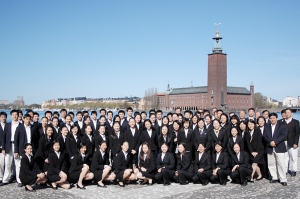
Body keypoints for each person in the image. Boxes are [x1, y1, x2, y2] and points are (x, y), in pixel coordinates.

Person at [263, 113, 287, 186]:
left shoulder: (282, 125)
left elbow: (283, 135)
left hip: (279, 147)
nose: (272, 119)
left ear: (277, 118)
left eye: (273, 118)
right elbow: (264, 136)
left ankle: (283, 179)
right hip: (270, 147)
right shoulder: (267, 126)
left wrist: (275, 142)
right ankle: (274, 177)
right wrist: (270, 142)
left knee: (281, 164)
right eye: (271, 118)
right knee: (271, 164)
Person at [14, 114, 37, 187]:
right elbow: (16, 140)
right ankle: (19, 180)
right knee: (19, 165)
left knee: (30, 164)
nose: (28, 120)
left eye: (29, 119)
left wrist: (34, 149)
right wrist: (16, 150)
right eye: (26, 119)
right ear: (24, 119)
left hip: (30, 149)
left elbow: (35, 139)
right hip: (22, 149)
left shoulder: (33, 128)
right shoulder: (19, 128)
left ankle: (29, 179)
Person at [284, 108, 299, 177]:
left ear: (291, 113)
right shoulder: (282, 122)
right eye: (286, 112)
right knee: (285, 157)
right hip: (284, 142)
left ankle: (294, 170)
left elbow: (297, 133)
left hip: (292, 142)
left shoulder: (295, 122)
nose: (287, 114)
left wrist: (296, 142)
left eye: (288, 112)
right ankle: (285, 170)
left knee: (293, 157)